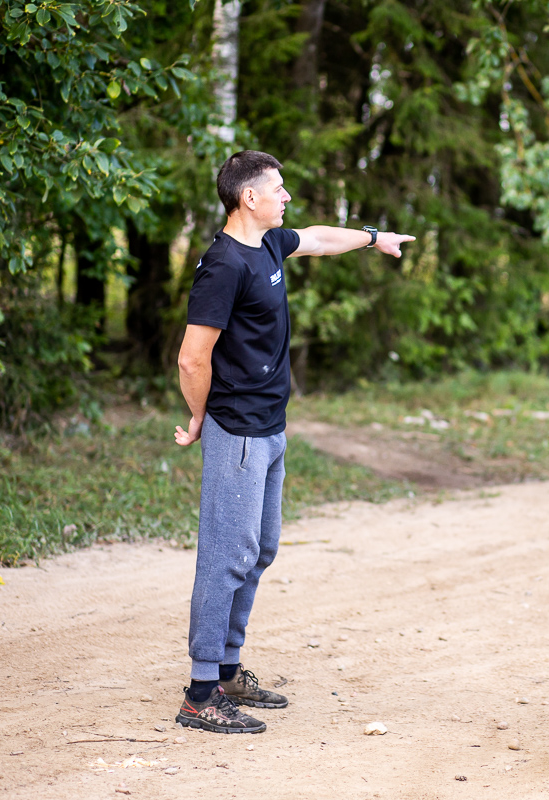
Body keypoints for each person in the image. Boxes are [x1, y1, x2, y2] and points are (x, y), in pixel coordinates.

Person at [173, 150, 414, 733]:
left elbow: (322, 239)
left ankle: (228, 670)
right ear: (247, 198)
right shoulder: (224, 265)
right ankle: (200, 693)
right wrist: (203, 417)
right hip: (237, 431)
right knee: (226, 557)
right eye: (277, 190)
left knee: (259, 550)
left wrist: (373, 237)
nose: (285, 197)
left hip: (271, 429)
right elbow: (191, 355)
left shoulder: (270, 247)